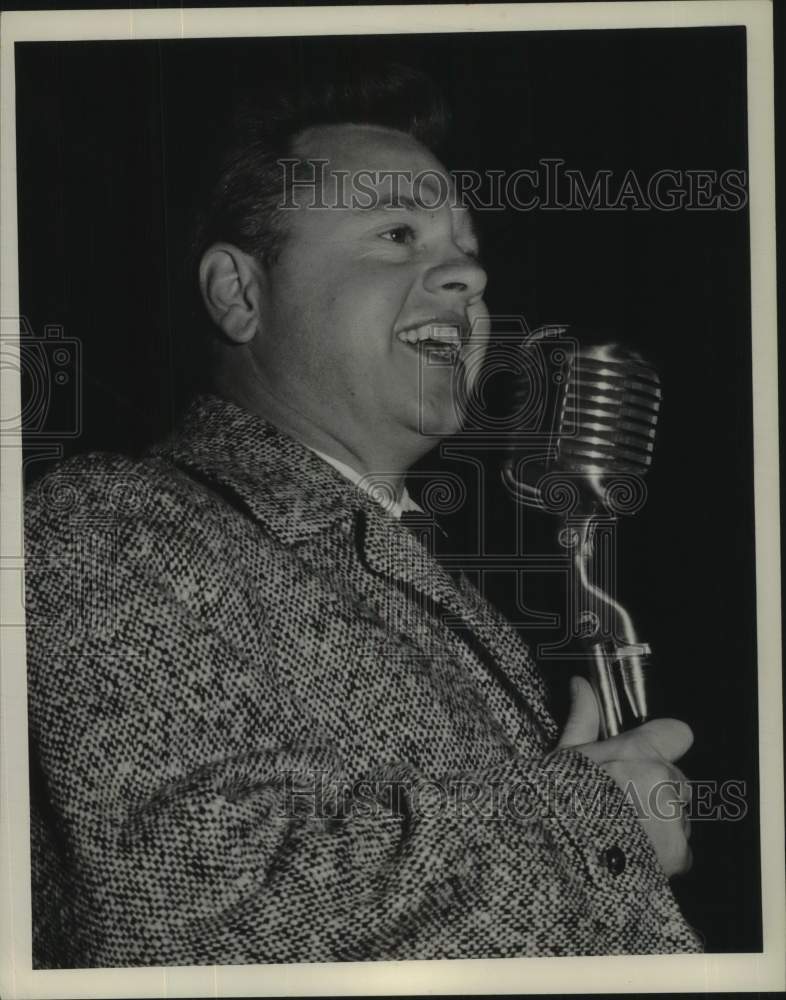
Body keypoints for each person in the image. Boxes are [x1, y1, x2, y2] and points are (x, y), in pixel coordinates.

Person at [24, 64, 701, 967]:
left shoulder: (418, 578)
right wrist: (599, 828)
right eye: (396, 233)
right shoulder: (115, 524)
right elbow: (189, 914)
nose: (468, 271)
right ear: (239, 293)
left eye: (465, 246)